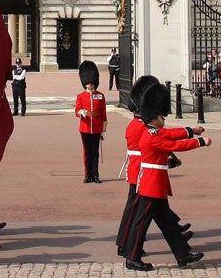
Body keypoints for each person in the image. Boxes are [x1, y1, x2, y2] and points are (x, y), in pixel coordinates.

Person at [123, 83, 208, 272]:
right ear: (155, 117)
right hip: (151, 184)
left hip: (156, 183)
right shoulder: (151, 136)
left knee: (168, 223)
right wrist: (199, 142)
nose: (163, 119)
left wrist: (190, 130)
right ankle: (132, 257)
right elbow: (175, 146)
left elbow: (170, 133)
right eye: (162, 116)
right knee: (141, 222)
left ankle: (182, 254)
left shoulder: (152, 130)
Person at [75, 60, 106, 184]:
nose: (89, 85)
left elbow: (103, 113)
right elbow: (77, 110)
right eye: (87, 83)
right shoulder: (81, 96)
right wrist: (81, 113)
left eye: (91, 82)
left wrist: (103, 130)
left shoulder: (100, 95)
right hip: (85, 128)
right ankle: (87, 174)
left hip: (97, 128)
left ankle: (96, 174)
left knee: (95, 153)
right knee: (87, 153)